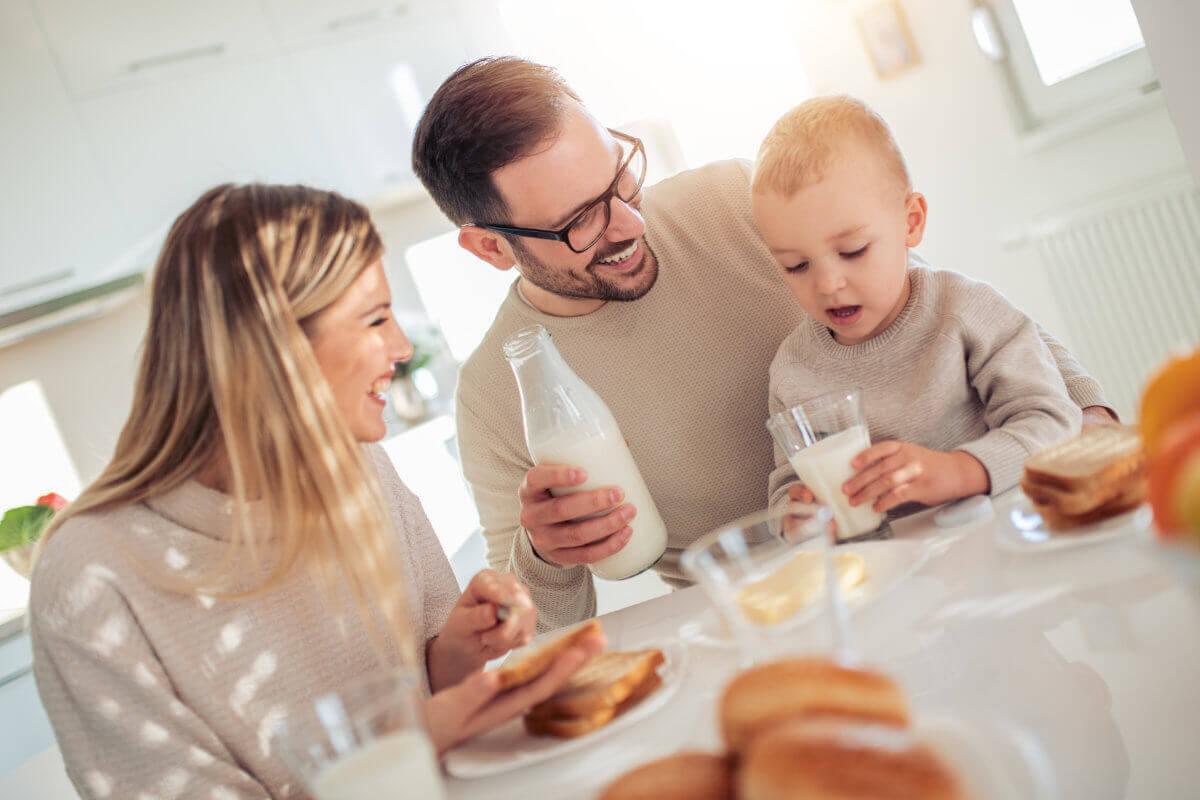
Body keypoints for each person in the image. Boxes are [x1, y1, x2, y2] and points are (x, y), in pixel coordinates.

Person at [411, 57, 1115, 633]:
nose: (628, 223)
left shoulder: (729, 197)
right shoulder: (498, 393)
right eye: (578, 223)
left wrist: (1089, 416)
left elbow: (937, 300)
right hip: (766, 620)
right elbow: (528, 631)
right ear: (489, 248)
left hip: (945, 543)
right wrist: (546, 554)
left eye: (621, 179)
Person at [29, 184, 603, 800]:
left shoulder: (360, 468)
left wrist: (458, 650)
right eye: (375, 319)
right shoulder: (92, 576)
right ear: (273, 348)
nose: (402, 349)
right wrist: (403, 752)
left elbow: (413, 686)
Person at [755, 95, 1081, 518]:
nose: (828, 284)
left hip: (1010, 533)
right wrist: (798, 518)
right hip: (898, 571)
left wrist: (961, 471)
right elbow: (787, 488)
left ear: (911, 222)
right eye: (796, 265)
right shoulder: (793, 370)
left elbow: (1053, 420)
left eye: (853, 251)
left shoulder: (964, 311)